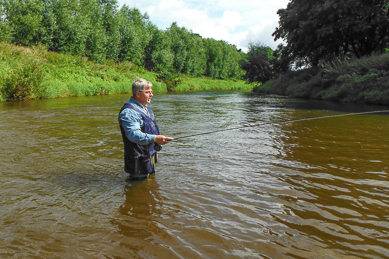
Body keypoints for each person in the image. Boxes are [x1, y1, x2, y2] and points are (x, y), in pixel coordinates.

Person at [118, 78, 173, 180]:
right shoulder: (129, 112)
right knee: (137, 189)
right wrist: (156, 139)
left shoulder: (146, 109)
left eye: (151, 92)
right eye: (148, 92)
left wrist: (155, 150)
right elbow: (133, 135)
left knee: (150, 185)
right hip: (137, 160)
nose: (151, 95)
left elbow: (152, 131)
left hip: (149, 156)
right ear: (138, 94)